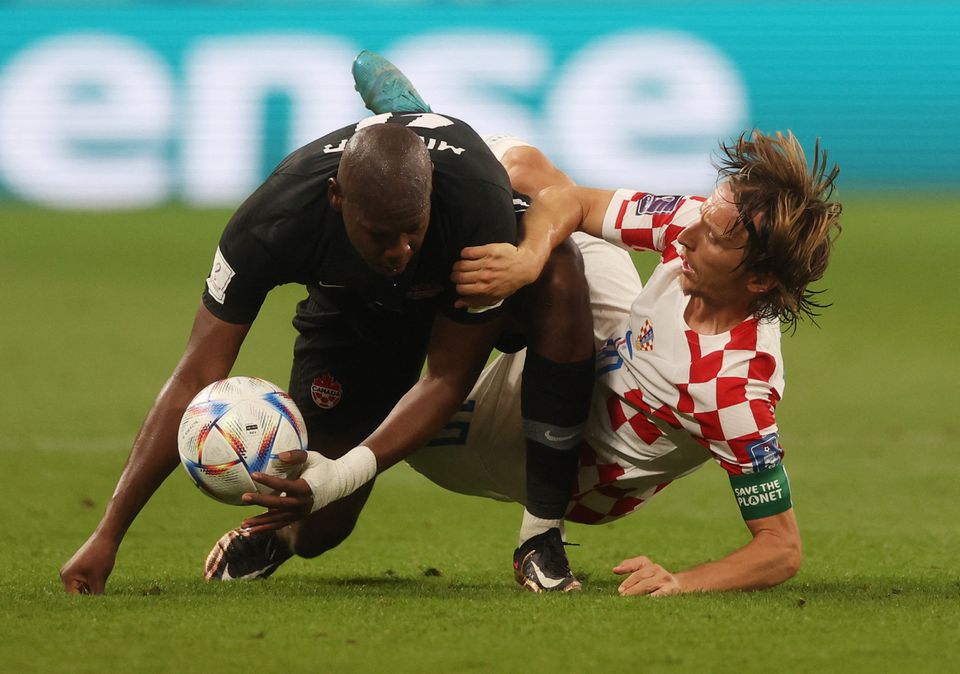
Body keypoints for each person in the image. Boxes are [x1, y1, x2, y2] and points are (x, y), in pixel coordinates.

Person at [59, 53, 595, 595]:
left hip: (456, 282)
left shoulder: (475, 202)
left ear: (429, 197)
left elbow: (446, 379)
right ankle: (277, 539)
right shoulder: (272, 223)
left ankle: (540, 537)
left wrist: (342, 473)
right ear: (336, 200)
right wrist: (108, 534)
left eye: (411, 231)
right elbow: (197, 373)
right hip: (356, 313)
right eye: (380, 235)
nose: (399, 251)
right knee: (321, 529)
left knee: (561, 275)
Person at [415, 131, 843, 594]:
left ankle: (541, 528)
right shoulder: (698, 228)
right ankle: (431, 150)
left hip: (571, 451)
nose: (687, 236)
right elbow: (573, 201)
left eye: (713, 237)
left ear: (760, 279)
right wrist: (527, 259)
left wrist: (681, 582)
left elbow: (781, 548)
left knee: (395, 424)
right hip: (611, 338)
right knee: (528, 172)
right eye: (702, 217)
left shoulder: (731, 391)